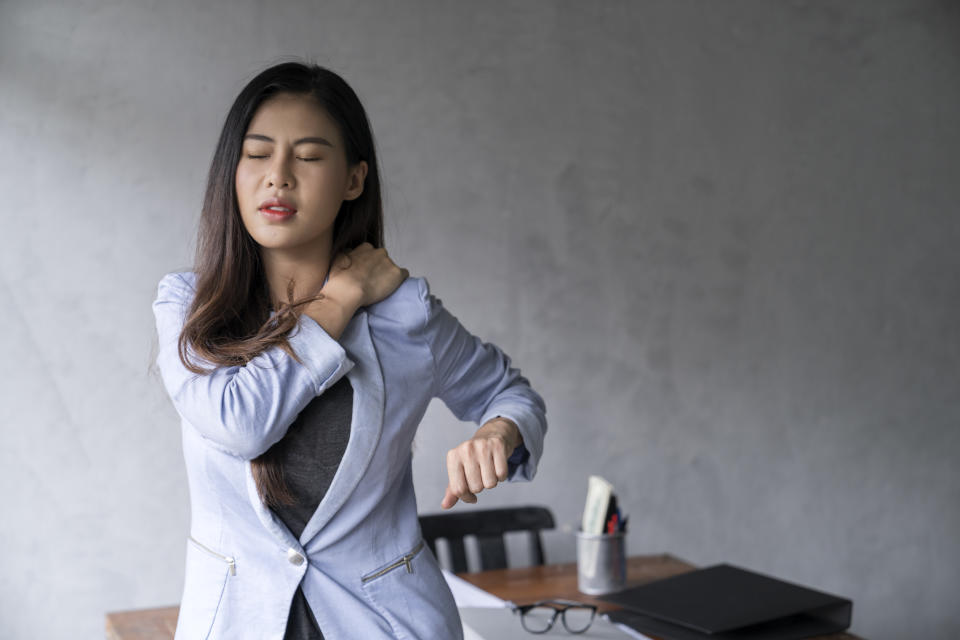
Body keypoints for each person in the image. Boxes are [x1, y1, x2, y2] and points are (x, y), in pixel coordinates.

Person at [151, 61, 548, 639]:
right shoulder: (190, 305)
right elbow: (240, 424)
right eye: (257, 154)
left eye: (309, 157)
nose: (278, 177)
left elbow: (510, 394)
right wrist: (339, 299)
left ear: (354, 179)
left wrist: (498, 433)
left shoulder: (406, 316)